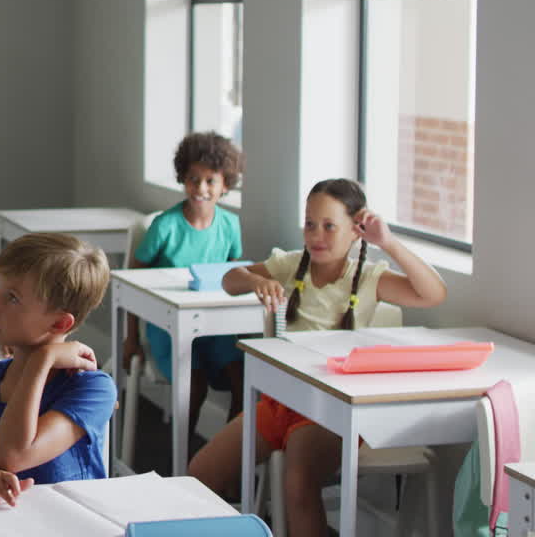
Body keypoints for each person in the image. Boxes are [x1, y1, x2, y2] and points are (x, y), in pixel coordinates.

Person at [188, 178, 448, 537]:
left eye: (329, 226)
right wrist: (253, 281)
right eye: (310, 224)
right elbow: (230, 279)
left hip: (330, 412)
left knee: (298, 483)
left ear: (357, 230)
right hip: (279, 403)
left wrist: (388, 242)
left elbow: (433, 294)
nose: (316, 235)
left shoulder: (370, 278)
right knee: (200, 473)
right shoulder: (292, 265)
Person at [0, 233, 116, 506]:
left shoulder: (92, 388)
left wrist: (41, 361)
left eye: (12, 298)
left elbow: (11, 456)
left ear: (60, 324)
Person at [122, 131, 246, 440]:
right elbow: (132, 282)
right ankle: (182, 455)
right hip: (168, 326)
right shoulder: (164, 226)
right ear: (183, 179)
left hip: (214, 326)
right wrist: (131, 338)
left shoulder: (230, 225)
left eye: (210, 181)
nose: (201, 188)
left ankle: (225, 458)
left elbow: (234, 275)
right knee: (195, 383)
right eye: (193, 179)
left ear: (225, 185)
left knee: (245, 380)